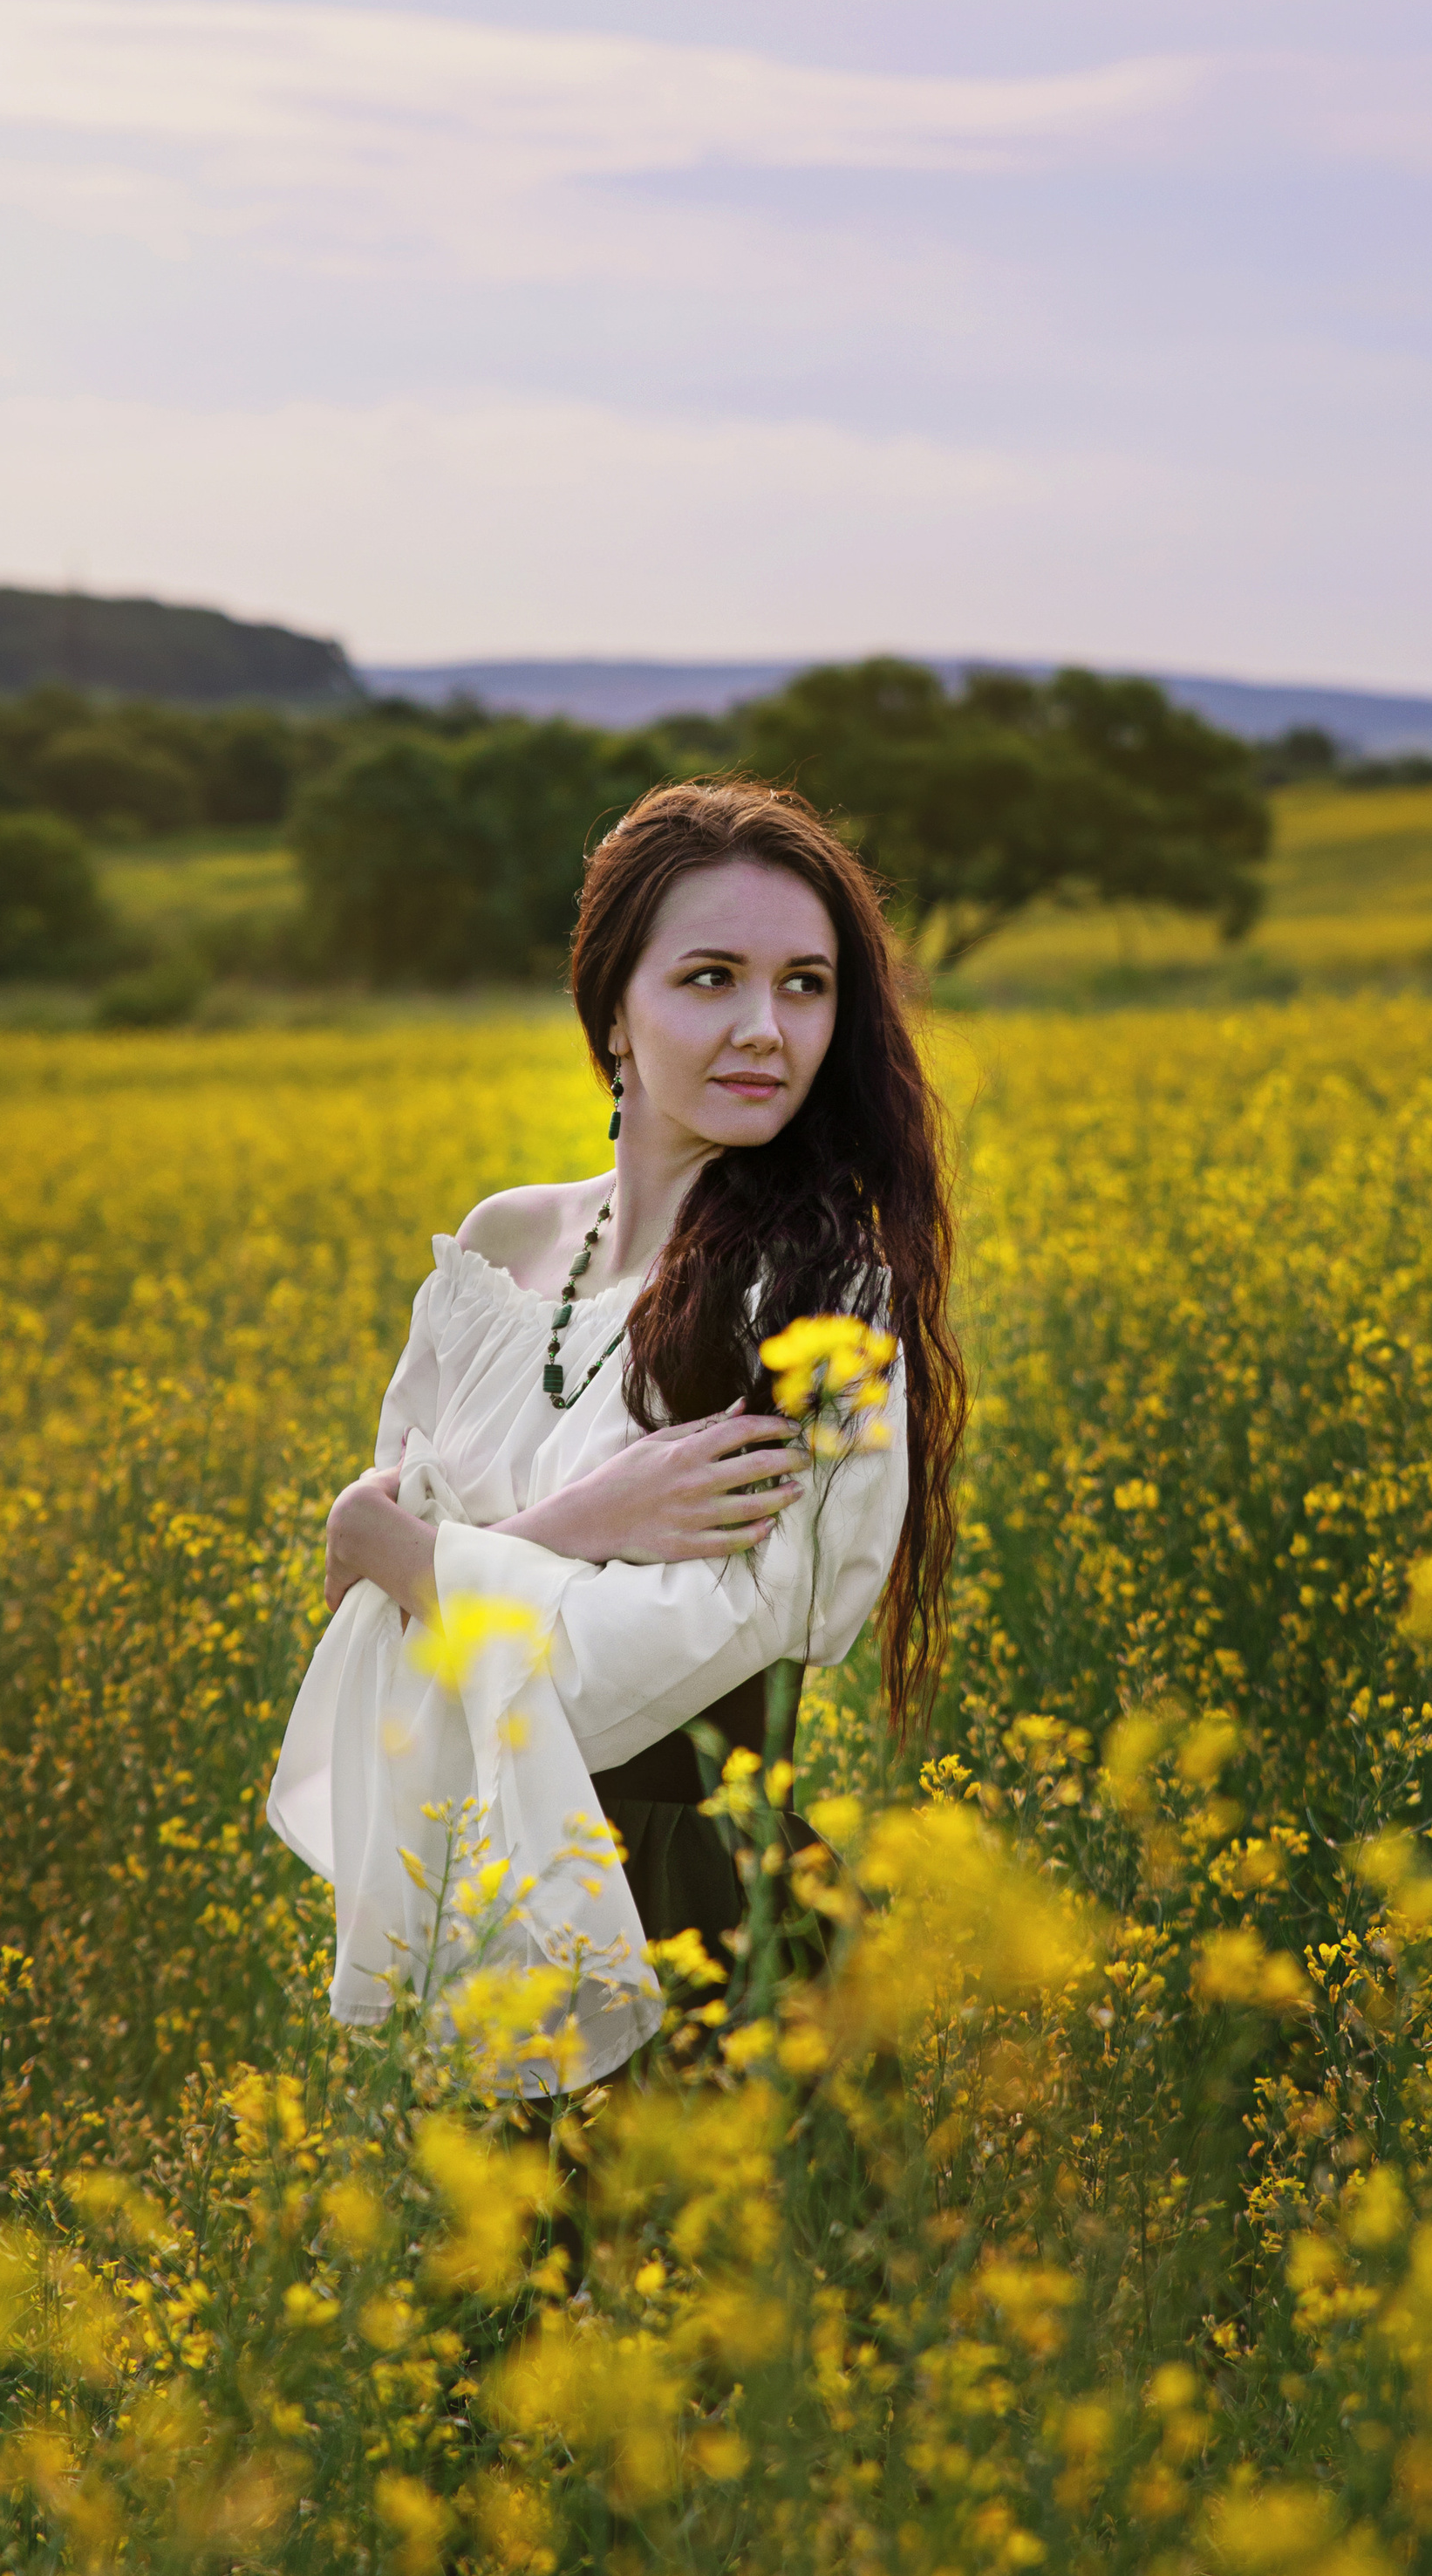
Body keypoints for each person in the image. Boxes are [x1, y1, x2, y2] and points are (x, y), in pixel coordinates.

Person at [266, 781, 964, 2094]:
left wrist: (410, 1550)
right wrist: (570, 1533)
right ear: (613, 1015)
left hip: (700, 1928)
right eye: (711, 977)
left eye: (807, 985)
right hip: (473, 1908)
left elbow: (619, 1677)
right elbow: (359, 1649)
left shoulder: (824, 1301)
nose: (767, 1030)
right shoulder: (500, 1247)